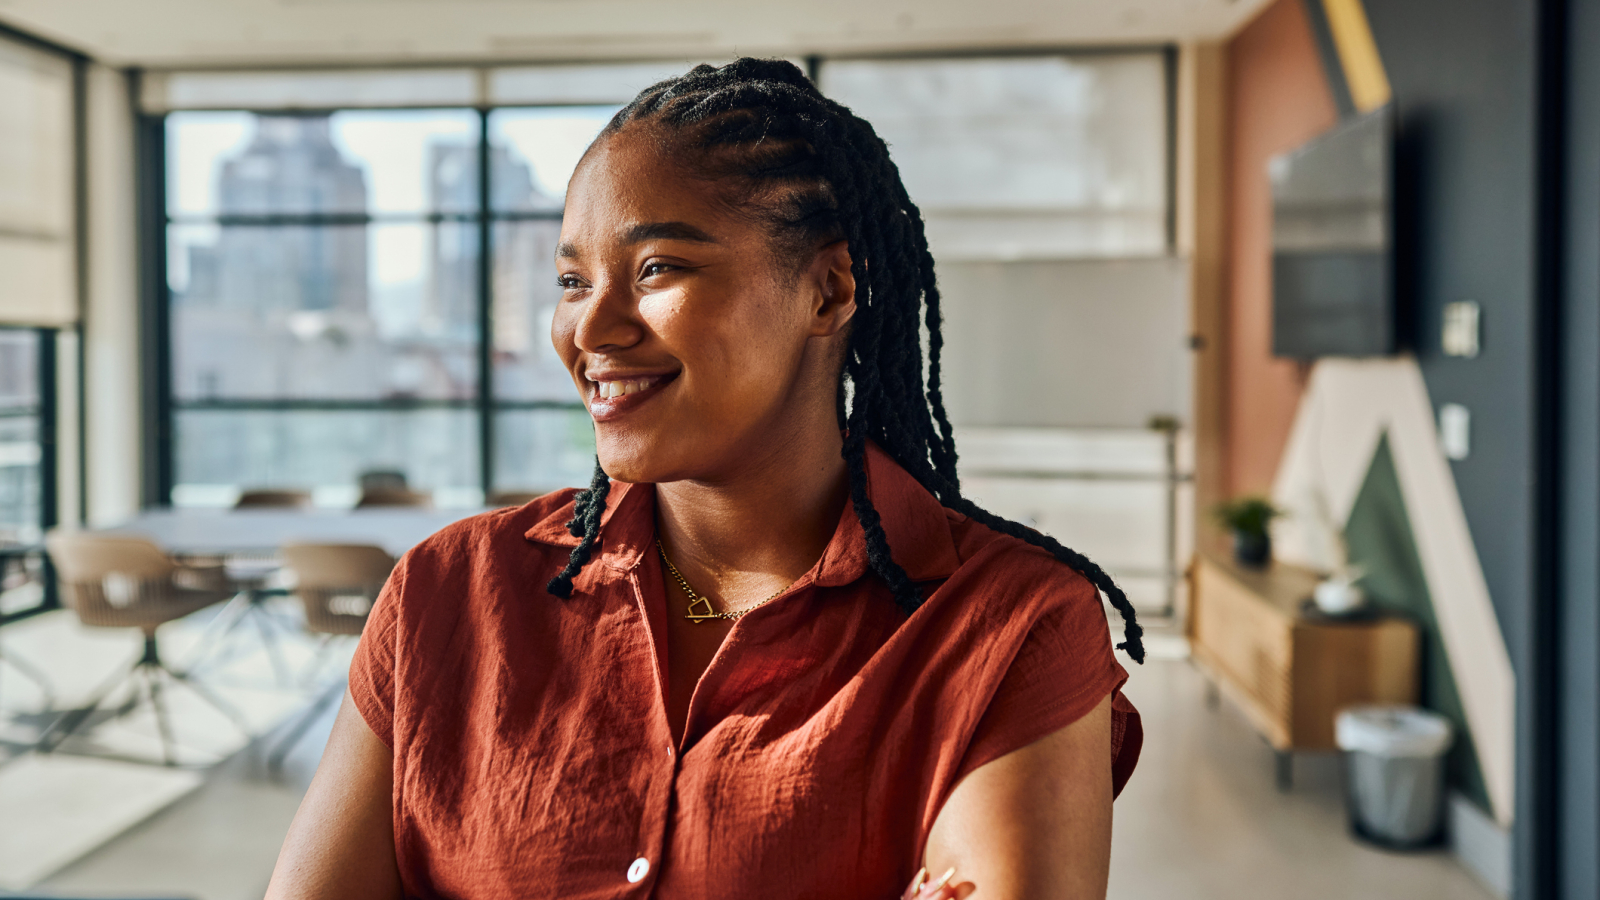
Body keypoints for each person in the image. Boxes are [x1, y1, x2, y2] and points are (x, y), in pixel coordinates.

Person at [266, 58, 1144, 900]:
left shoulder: (1010, 630)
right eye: (572, 281)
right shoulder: (445, 594)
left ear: (830, 291)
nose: (592, 329)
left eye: (658, 269)